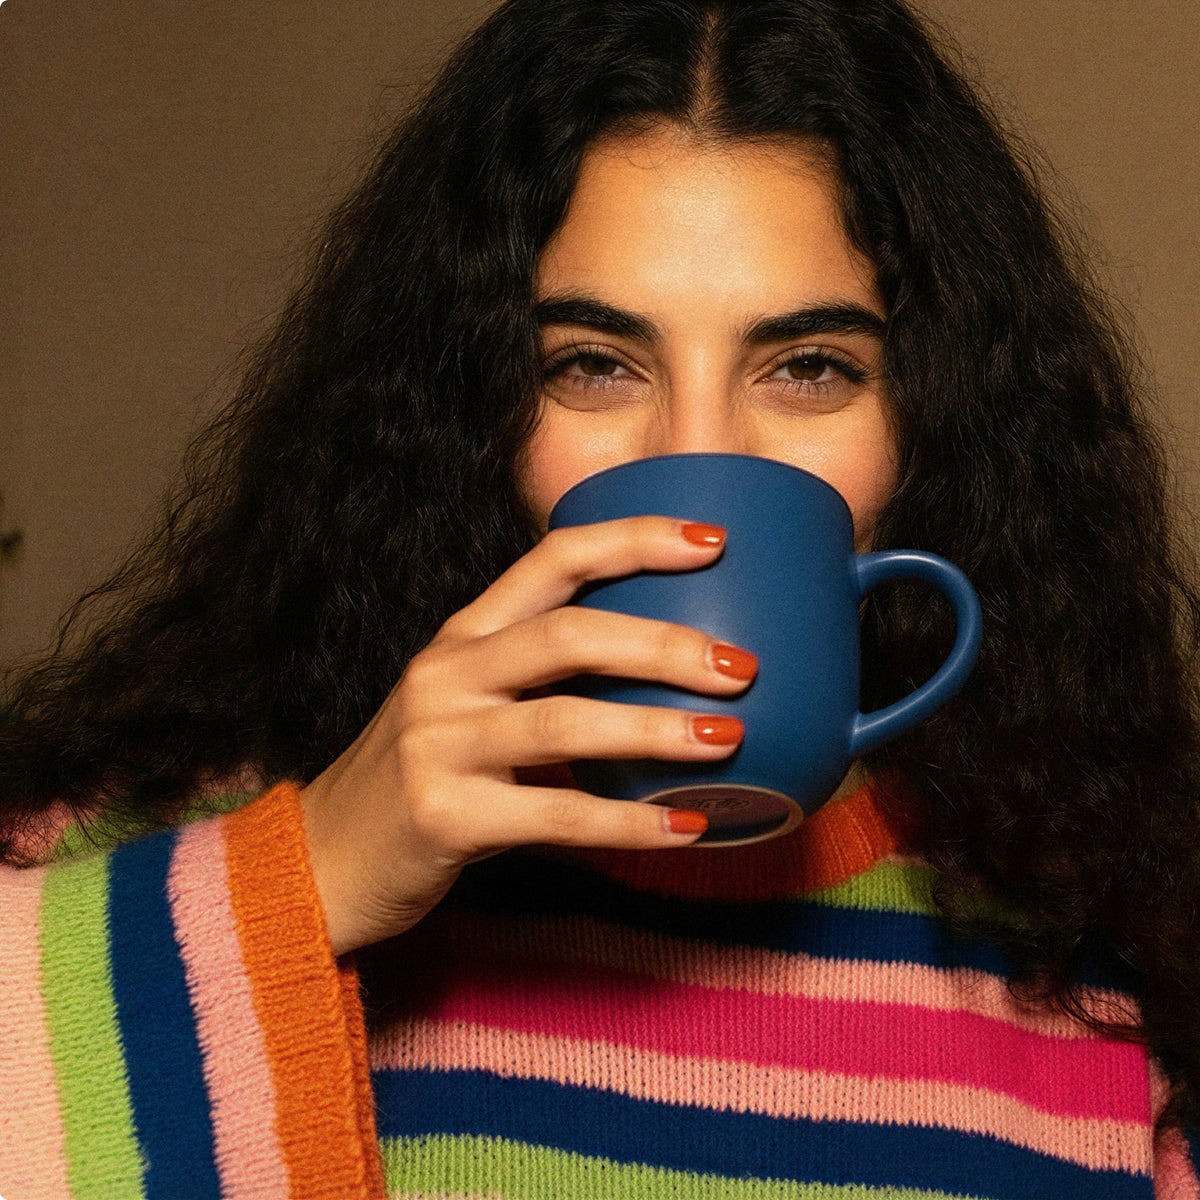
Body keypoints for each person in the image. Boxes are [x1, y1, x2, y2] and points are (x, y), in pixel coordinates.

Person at [2, 0, 1198, 1195]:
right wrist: (304, 883)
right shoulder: (165, 854)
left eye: (810, 368)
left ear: (935, 424)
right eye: (592, 364)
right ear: (468, 407)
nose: (695, 456)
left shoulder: (1111, 991)